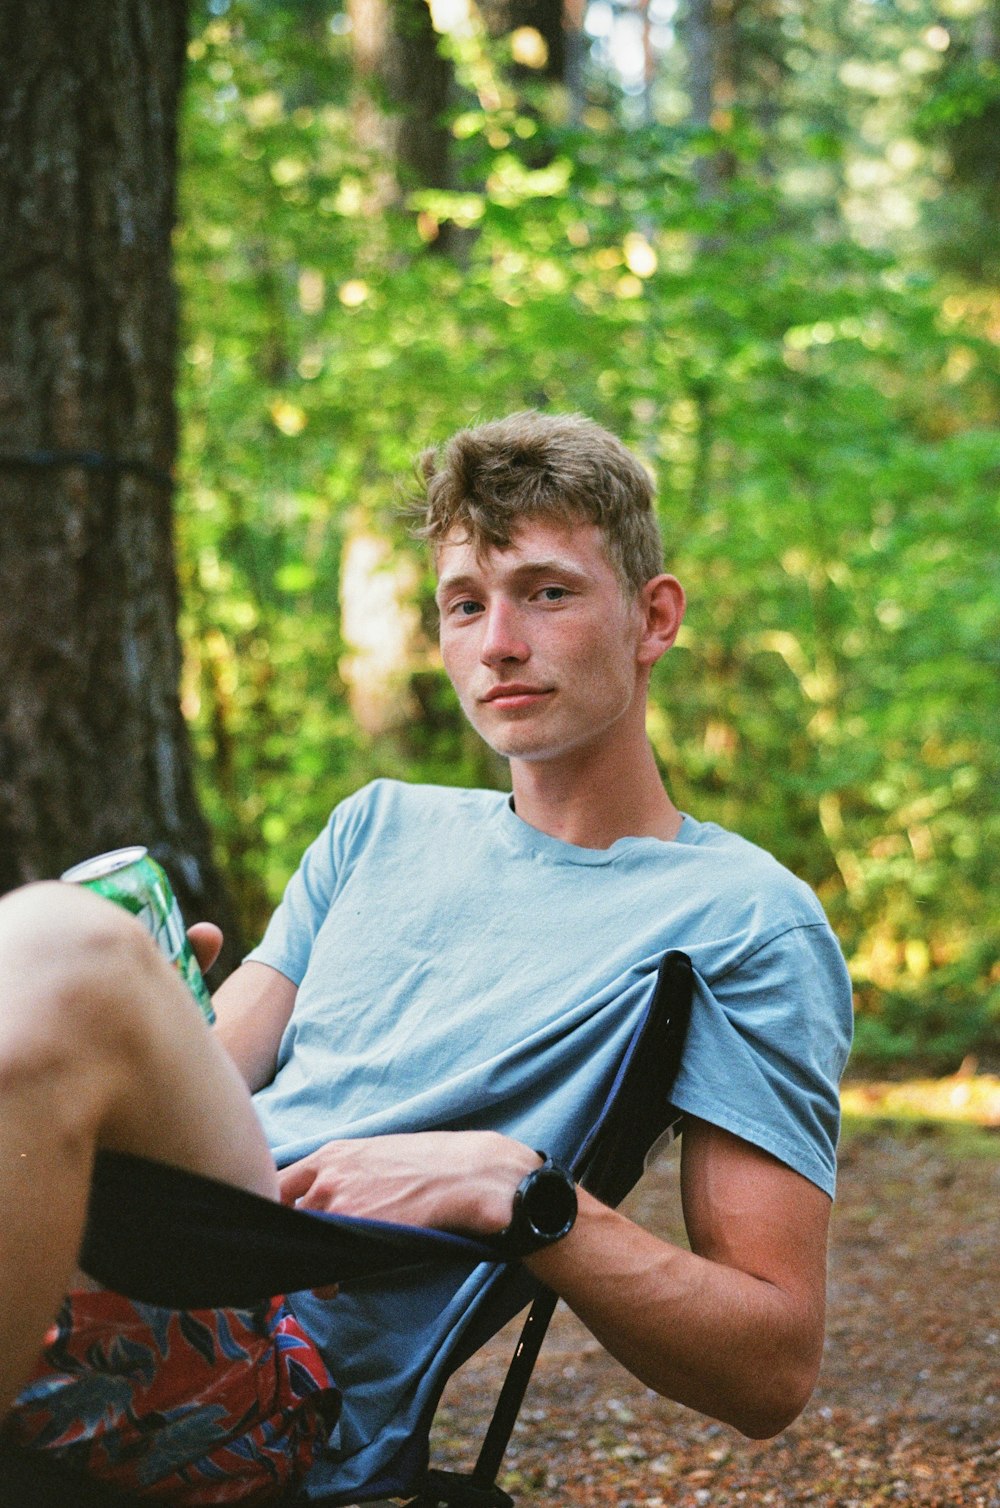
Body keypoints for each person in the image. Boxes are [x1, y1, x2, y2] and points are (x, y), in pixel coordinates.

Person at [0, 411, 853, 1504]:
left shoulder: (741, 919)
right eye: (464, 603)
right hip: (149, 1223)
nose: (497, 640)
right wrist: (137, 1019)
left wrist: (521, 1194)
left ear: (654, 617)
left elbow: (768, 1364)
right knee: (75, 946)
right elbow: (222, 1074)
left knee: (66, 939)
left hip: (274, 1355)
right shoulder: (376, 826)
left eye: (546, 591)